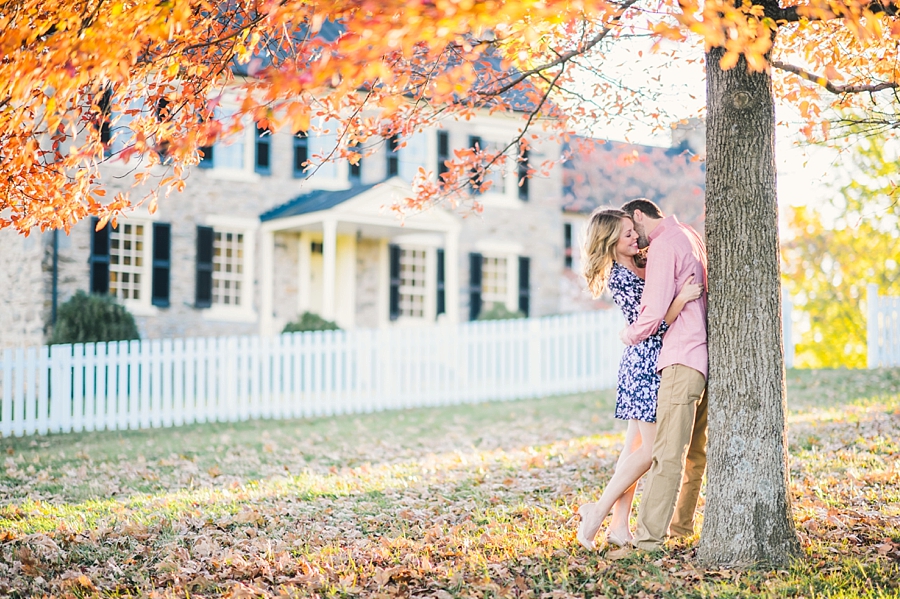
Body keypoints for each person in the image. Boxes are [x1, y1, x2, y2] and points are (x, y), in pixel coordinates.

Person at [575, 207, 703, 550]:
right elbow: (654, 323)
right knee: (651, 450)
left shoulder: (642, 261)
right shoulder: (619, 275)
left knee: (632, 448)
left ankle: (618, 527)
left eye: (634, 231)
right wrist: (683, 298)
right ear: (610, 241)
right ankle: (597, 512)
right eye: (627, 234)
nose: (635, 237)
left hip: (653, 358)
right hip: (643, 364)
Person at [618, 198, 709, 552]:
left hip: (680, 355)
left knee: (668, 452)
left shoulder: (662, 245)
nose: (634, 238)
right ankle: (681, 529)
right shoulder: (689, 235)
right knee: (694, 453)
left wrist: (628, 335)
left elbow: (652, 311)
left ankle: (648, 540)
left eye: (630, 227)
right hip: (703, 355)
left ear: (639, 215)